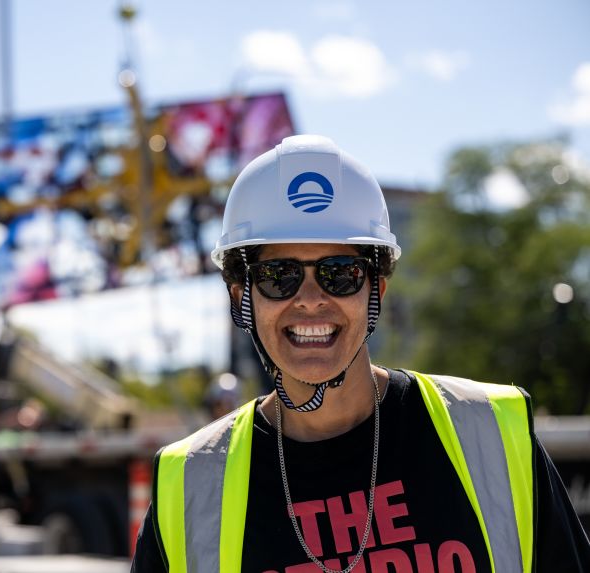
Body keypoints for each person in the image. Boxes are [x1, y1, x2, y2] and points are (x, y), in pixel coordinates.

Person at [131, 135, 590, 572]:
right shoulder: (193, 483)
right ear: (241, 298)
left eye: (340, 273)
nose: (310, 300)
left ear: (377, 291)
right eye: (278, 275)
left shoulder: (489, 433)